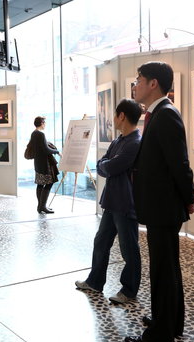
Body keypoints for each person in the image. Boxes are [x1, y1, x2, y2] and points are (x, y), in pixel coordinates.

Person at [125, 61, 194, 342]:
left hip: (162, 209)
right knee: (167, 268)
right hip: (160, 207)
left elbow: (180, 166)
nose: (135, 84)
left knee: (162, 270)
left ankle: (160, 335)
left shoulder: (166, 115)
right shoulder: (158, 114)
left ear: (153, 83)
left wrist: (187, 198)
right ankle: (170, 320)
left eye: (139, 79)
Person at [75, 99, 143, 304]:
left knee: (128, 248)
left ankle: (129, 291)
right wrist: (106, 165)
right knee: (101, 242)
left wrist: (106, 165)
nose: (113, 118)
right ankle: (95, 282)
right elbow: (102, 164)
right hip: (112, 202)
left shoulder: (135, 143)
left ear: (122, 116)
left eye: (115, 114)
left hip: (125, 203)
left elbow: (109, 167)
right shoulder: (118, 140)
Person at [30, 116, 60, 214]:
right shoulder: (40, 134)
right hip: (44, 164)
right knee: (49, 183)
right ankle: (42, 206)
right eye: (44, 123)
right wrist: (57, 151)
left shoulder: (33, 133)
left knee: (40, 184)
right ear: (42, 123)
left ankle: (40, 206)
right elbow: (46, 150)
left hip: (38, 163)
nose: (45, 125)